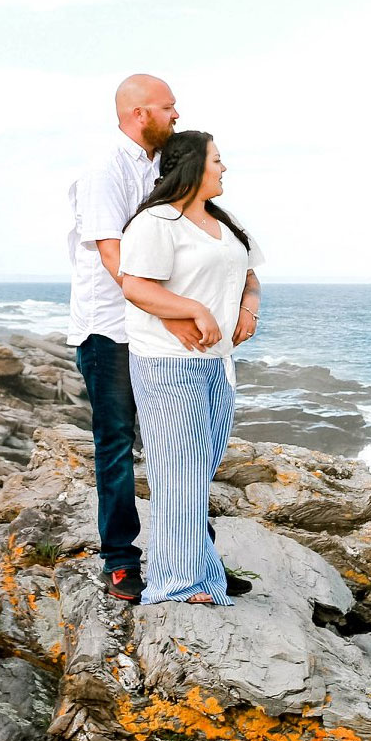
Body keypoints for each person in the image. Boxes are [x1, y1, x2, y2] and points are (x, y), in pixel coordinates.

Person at [67, 75, 253, 602]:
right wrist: (173, 315)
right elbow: (113, 259)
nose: (177, 115)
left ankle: (195, 558)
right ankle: (122, 561)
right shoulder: (105, 171)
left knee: (183, 448)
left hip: (156, 328)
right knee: (119, 441)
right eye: (168, 107)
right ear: (139, 113)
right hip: (111, 327)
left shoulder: (163, 168)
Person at [119, 130, 263, 605]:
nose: (225, 168)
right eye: (218, 160)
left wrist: (248, 310)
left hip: (218, 364)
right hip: (167, 361)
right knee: (177, 470)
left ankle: (196, 569)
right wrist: (195, 310)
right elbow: (136, 286)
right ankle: (176, 582)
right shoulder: (156, 222)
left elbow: (250, 275)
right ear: (192, 166)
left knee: (199, 470)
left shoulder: (224, 220)